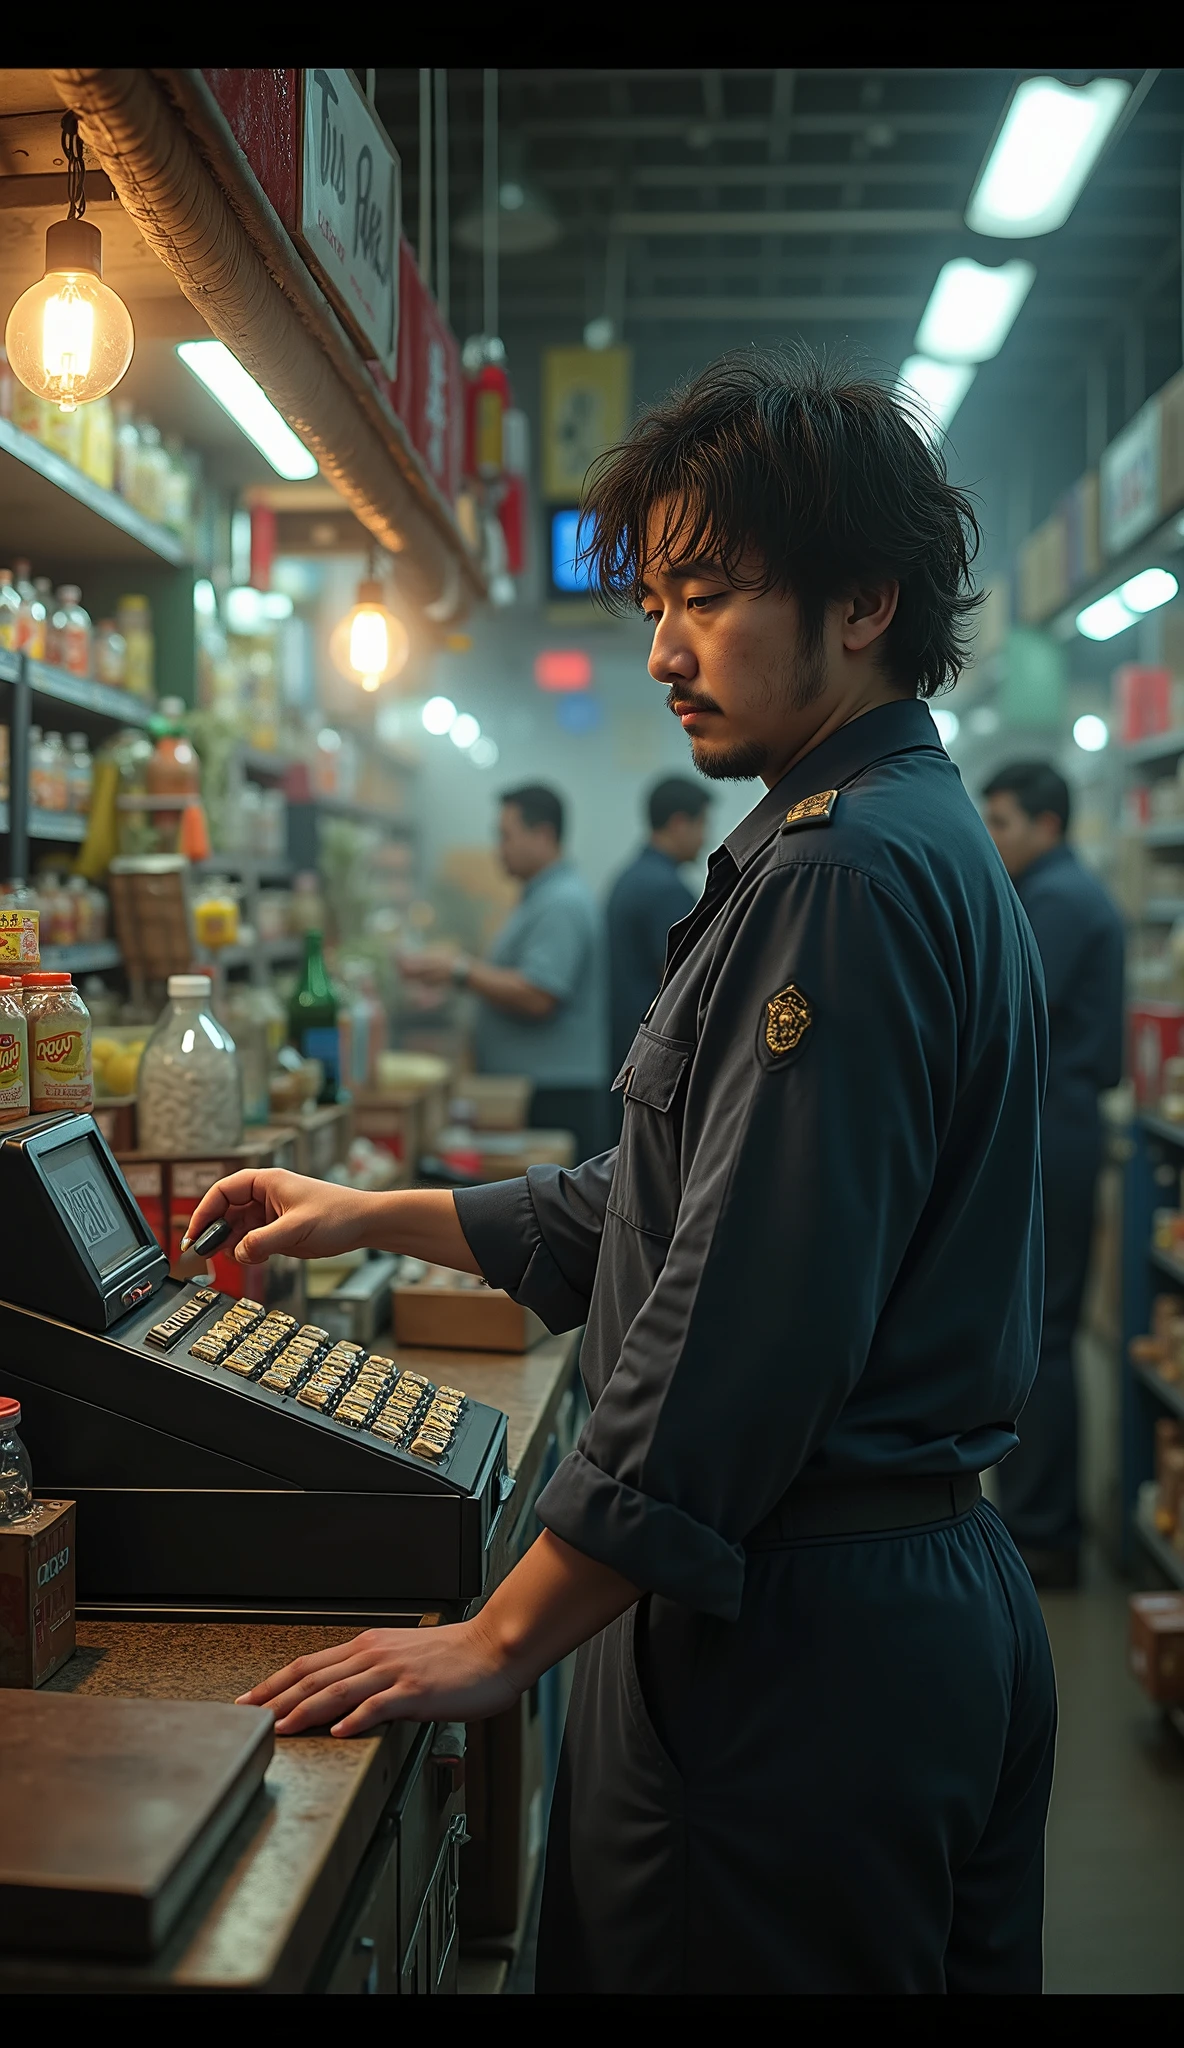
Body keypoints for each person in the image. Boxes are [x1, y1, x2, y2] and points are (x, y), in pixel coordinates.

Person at [185, 347, 1056, 1996]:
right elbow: (646, 1210)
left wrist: (502, 1633)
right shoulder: (885, 840)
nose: (659, 650)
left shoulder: (841, 880)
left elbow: (740, 1316)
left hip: (795, 1640)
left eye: (707, 596)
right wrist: (367, 1208)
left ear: (861, 599)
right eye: (651, 601)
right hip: (894, 1605)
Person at [983, 760, 1125, 1590]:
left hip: (1054, 1133)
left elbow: (1007, 1005)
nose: (993, 838)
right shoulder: (1057, 893)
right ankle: (1044, 1522)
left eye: (1003, 822)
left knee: (1044, 1334)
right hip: (1058, 1128)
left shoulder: (1062, 901)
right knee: (1044, 1330)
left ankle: (1045, 1532)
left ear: (1048, 824)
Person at [401, 782, 606, 1163]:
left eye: (506, 836)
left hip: (554, 1092)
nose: (499, 849)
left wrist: (461, 971)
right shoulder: (540, 898)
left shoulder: (562, 903)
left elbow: (538, 994)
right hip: (535, 1086)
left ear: (543, 834)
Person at [606, 775, 711, 1094]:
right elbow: (685, 984)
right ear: (679, 823)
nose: (705, 838)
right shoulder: (666, 891)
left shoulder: (631, 877)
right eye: (702, 824)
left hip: (626, 1049)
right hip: (655, 1065)